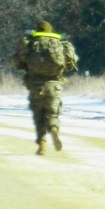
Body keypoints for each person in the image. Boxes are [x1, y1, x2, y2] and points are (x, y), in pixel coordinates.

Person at [10, 20, 79, 155]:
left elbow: (17, 62)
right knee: (52, 113)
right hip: (54, 84)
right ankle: (53, 127)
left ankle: (42, 143)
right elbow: (71, 63)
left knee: (38, 114)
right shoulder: (59, 43)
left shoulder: (31, 43)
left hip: (35, 85)